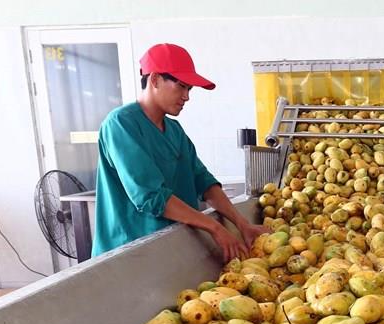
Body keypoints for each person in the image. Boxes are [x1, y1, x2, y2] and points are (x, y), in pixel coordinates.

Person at [92, 43, 266, 259]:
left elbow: (204, 182)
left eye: (189, 89)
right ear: (155, 79)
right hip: (129, 252)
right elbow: (151, 196)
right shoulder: (121, 124)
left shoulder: (174, 130)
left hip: (167, 247)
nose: (186, 97)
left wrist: (242, 224)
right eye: (181, 86)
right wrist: (215, 227)